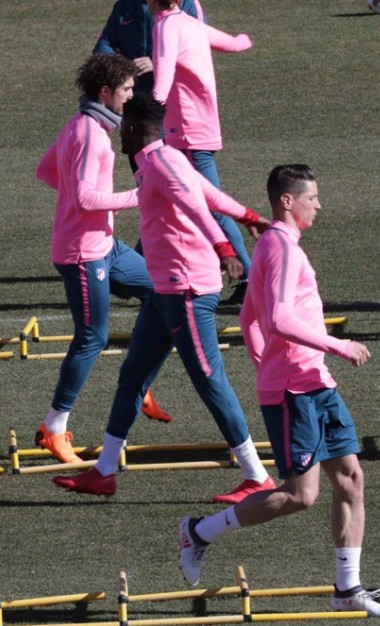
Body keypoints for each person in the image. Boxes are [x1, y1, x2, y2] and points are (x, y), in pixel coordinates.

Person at [52, 94, 273, 503]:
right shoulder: (166, 159)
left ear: (135, 129)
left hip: (187, 291)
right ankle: (104, 472)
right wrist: (248, 215)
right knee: (133, 376)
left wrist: (224, 248)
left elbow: (195, 206)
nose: (119, 133)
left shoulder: (159, 164)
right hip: (164, 291)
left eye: (124, 126)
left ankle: (256, 475)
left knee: (210, 381)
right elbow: (209, 193)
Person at [177, 167, 377, 617]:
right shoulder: (281, 249)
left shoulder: (271, 245)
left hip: (313, 382)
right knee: (299, 495)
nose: (319, 205)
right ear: (287, 201)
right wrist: (339, 345)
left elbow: (249, 316)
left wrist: (263, 361)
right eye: (313, 197)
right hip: (294, 390)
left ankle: (348, 588)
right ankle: (199, 531)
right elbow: (280, 319)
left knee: (351, 478)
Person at [33, 53, 172, 466]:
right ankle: (53, 428)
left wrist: (79, 204)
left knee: (163, 292)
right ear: (105, 92)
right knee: (91, 337)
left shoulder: (85, 125)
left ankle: (138, 383)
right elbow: (85, 197)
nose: (132, 97)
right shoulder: (90, 134)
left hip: (106, 246)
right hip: (83, 254)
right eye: (127, 90)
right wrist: (138, 196)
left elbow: (47, 171)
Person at [149, 0, 254, 303]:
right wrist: (245, 39)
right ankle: (148, 270)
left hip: (186, 132)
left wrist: (143, 118)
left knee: (209, 204)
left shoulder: (166, 27)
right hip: (200, 129)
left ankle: (249, 277)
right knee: (170, 197)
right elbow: (233, 44)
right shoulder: (191, 23)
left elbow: (163, 80)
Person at [93, 0, 204, 95]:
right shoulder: (124, 5)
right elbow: (103, 45)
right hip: (133, 93)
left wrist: (157, 62)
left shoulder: (187, 4)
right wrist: (121, 67)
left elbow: (199, 49)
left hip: (175, 93)